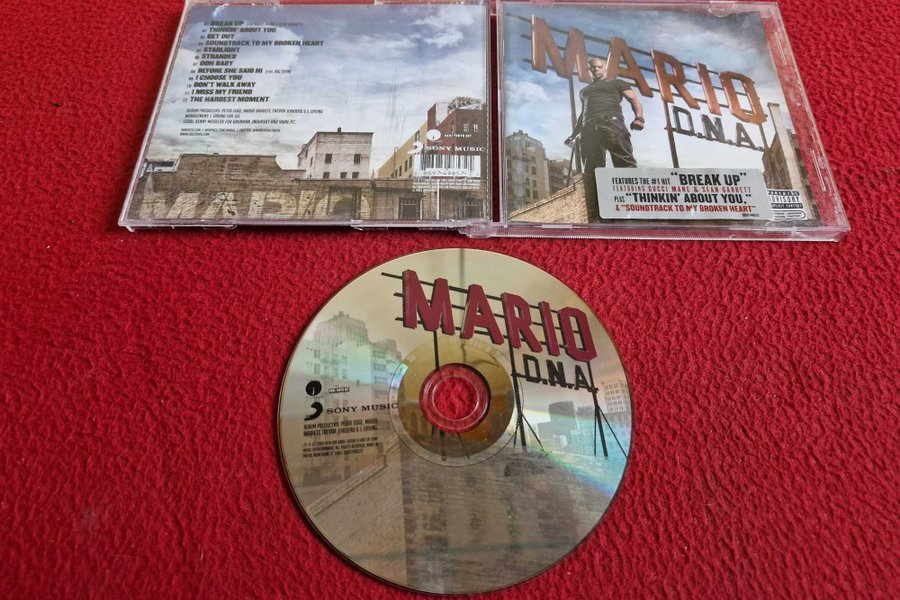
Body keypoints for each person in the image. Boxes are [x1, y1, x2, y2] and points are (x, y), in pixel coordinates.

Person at [565, 58, 644, 222]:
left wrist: (639, 118)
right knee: (592, 171)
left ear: (605, 68)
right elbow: (583, 114)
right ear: (589, 70)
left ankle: (634, 209)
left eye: (599, 67)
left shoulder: (617, 83)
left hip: (612, 124)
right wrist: (574, 134)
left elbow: (634, 100)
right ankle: (601, 214)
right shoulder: (585, 91)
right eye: (592, 68)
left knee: (625, 164)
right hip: (589, 129)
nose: (596, 70)